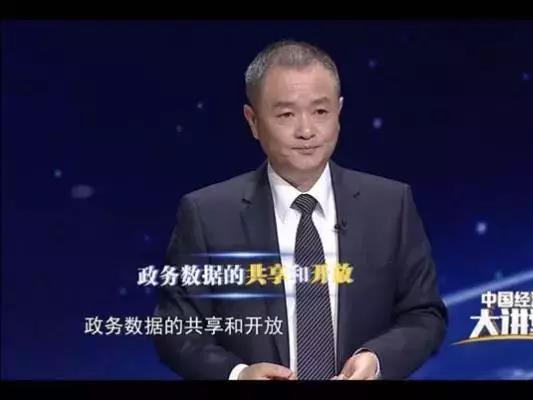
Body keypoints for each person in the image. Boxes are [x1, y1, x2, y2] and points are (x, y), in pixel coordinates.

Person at [153, 39, 447, 380]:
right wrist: (238, 374)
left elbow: (424, 315)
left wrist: (377, 359)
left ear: (339, 112)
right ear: (253, 120)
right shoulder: (207, 215)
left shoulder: (390, 205)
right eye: (286, 114)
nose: (306, 131)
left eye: (320, 112)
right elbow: (176, 330)